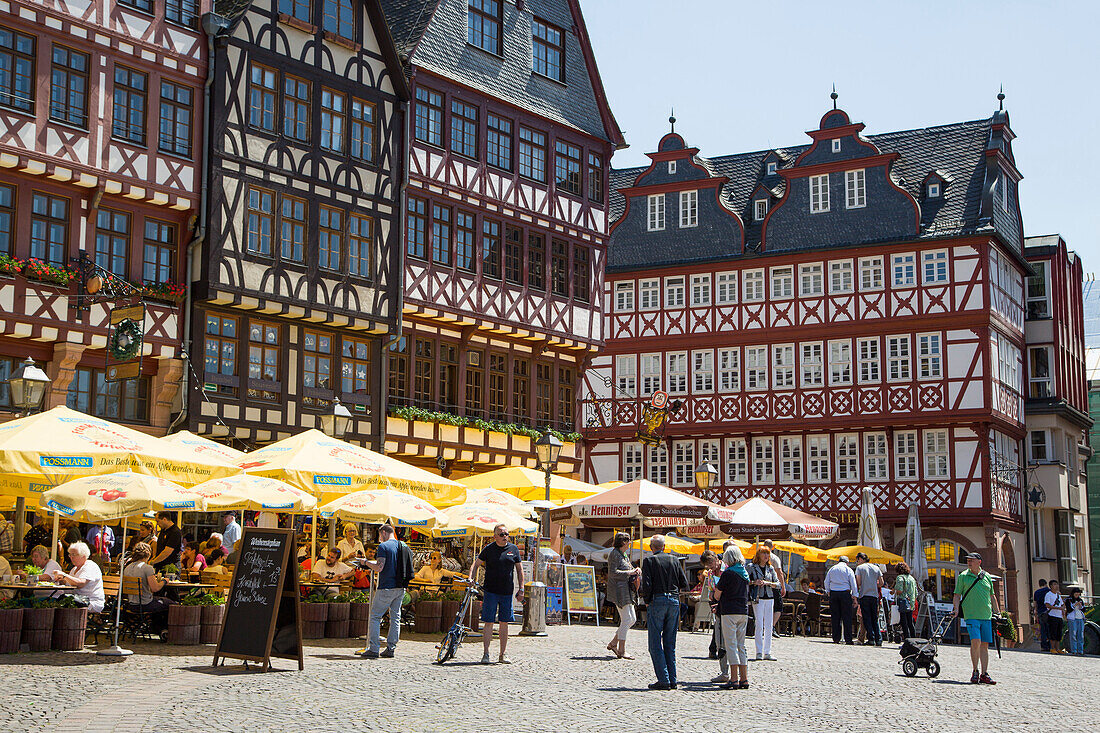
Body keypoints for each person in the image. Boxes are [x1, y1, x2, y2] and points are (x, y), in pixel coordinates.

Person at [468, 524, 524, 665]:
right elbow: (475, 564)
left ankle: (502, 654)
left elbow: (519, 570)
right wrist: (471, 578)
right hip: (491, 591)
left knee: (504, 623)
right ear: (495, 536)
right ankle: (486, 653)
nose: (505, 536)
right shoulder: (489, 549)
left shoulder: (513, 549)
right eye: (501, 534)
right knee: (488, 622)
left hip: (506, 592)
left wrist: (521, 588)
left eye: (506, 534)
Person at [640, 534, 688, 690]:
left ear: (651, 547)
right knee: (669, 642)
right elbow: (684, 583)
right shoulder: (674, 560)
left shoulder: (649, 561)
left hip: (657, 601)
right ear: (664, 547)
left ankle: (664, 679)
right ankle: (673, 679)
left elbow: (647, 584)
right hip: (674, 601)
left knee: (654, 643)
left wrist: (647, 601)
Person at [361, 524, 413, 659]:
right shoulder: (404, 546)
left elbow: (379, 567)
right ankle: (391, 648)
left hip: (386, 587)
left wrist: (365, 562)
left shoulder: (383, 547)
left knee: (375, 616)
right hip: (400, 587)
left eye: (379, 535)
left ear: (383, 532)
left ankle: (374, 648)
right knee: (395, 617)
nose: (379, 538)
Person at [951, 552, 999, 684]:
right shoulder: (963, 576)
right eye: (968, 560)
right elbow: (957, 594)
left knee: (984, 645)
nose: (969, 562)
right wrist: (956, 609)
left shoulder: (987, 576)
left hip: (986, 615)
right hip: (971, 615)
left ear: (979, 562)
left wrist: (998, 613)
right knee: (976, 641)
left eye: (971, 560)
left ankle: (984, 673)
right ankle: (975, 670)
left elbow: (992, 596)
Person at [713, 545, 751, 689]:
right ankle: (744, 679)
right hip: (743, 611)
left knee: (731, 645)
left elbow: (717, 595)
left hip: (729, 612)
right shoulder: (744, 573)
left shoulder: (728, 573)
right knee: (741, 645)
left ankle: (734, 679)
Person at [605, 532, 641, 660]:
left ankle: (614, 643)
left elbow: (628, 567)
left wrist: (636, 569)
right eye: (629, 541)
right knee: (627, 619)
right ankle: (621, 650)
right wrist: (630, 572)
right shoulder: (614, 554)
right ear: (624, 542)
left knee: (632, 619)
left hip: (626, 590)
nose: (630, 543)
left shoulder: (623, 554)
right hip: (619, 591)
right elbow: (613, 572)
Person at [121, 542, 171, 633]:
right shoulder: (147, 568)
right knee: (170, 603)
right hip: (145, 604)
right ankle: (163, 629)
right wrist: (164, 581)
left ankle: (155, 627)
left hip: (131, 604)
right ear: (148, 554)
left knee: (159, 602)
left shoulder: (127, 568)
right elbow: (155, 588)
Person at [747, 547, 780, 660]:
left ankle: (768, 651)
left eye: (767, 554)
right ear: (759, 555)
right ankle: (759, 651)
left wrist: (768, 583)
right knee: (759, 624)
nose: (766, 556)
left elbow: (778, 584)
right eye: (764, 553)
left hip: (769, 598)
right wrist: (754, 582)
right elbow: (746, 581)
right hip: (758, 598)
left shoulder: (770, 568)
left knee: (769, 625)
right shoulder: (752, 567)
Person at [52, 542, 104, 612]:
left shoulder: (90, 566)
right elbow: (71, 583)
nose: (71, 557)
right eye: (70, 554)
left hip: (90, 601)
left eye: (73, 554)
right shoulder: (74, 569)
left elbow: (80, 584)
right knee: (54, 601)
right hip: (77, 599)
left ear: (83, 555)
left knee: (60, 604)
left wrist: (64, 575)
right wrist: (62, 580)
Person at [824, 555, 858, 644]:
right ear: (847, 562)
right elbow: (853, 583)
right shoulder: (848, 569)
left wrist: (828, 591)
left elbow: (826, 581)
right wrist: (855, 596)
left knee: (835, 616)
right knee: (847, 617)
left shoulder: (832, 569)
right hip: (845, 593)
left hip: (834, 593)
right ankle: (848, 639)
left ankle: (836, 638)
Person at [854, 552, 884, 646]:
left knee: (867, 617)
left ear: (861, 559)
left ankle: (871, 638)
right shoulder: (876, 568)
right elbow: (881, 583)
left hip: (865, 594)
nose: (857, 562)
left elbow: (858, 582)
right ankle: (879, 639)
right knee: (874, 618)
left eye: (858, 560)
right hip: (874, 595)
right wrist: (873, 584)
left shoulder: (860, 568)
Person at [761, 539, 787, 637]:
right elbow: (779, 573)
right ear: (773, 547)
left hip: (762, 585)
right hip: (773, 585)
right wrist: (783, 587)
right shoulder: (774, 558)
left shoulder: (757, 557)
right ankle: (771, 626)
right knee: (778, 608)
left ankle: (764, 626)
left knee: (762, 607)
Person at [893, 562, 918, 640]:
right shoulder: (911, 578)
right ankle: (914, 640)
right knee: (910, 622)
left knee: (904, 622)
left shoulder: (900, 577)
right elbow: (916, 592)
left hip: (903, 601)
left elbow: (900, 591)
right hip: (911, 602)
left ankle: (907, 640)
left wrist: (895, 592)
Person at [1044, 580, 1065, 655]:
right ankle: (1052, 648)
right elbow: (1047, 605)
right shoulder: (1048, 594)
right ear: (1051, 586)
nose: (1056, 586)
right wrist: (1058, 608)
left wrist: (1062, 608)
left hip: (1059, 616)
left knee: (1059, 633)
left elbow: (1062, 604)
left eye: (1057, 584)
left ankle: (1058, 648)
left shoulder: (1058, 595)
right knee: (1053, 632)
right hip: (1052, 616)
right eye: (1054, 584)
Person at [1066, 587, 1086, 656]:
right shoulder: (1069, 600)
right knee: (1073, 634)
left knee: (1081, 635)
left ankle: (1080, 650)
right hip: (1072, 619)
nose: (1077, 594)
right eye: (1076, 592)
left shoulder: (1080, 600)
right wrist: (1075, 605)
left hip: (1080, 618)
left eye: (1078, 593)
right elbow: (1068, 609)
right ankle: (1074, 650)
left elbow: (1084, 610)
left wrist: (1081, 606)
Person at [1033, 579, 1049, 652]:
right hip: (1048, 612)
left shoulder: (1036, 592)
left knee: (1042, 629)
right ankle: (1050, 645)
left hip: (1040, 612)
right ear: (1046, 584)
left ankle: (1043, 646)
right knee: (1049, 629)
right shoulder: (1049, 591)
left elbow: (1035, 604)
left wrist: (1035, 613)